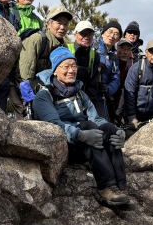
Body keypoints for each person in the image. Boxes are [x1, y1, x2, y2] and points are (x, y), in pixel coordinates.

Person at [32, 47, 130, 206]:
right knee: (88, 126)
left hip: (85, 141)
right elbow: (54, 125)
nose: (71, 70)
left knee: (109, 129)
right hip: (64, 145)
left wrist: (117, 131)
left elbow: (95, 118)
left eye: (74, 66)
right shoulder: (44, 96)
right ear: (55, 71)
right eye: (66, 66)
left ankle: (121, 186)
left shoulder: (79, 93)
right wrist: (80, 134)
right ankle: (105, 186)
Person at [14, 5, 73, 117]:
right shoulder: (37, 40)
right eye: (59, 22)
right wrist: (29, 100)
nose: (62, 27)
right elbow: (25, 74)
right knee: (25, 120)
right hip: (19, 86)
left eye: (65, 24)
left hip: (41, 89)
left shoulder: (63, 47)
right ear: (48, 24)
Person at [66, 20, 100, 104]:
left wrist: (90, 104)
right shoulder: (66, 49)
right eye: (83, 33)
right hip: (65, 96)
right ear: (75, 35)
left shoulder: (95, 55)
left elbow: (93, 83)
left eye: (89, 34)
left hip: (85, 97)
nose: (86, 37)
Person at [95, 20, 122, 121]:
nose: (112, 36)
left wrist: (108, 89)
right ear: (103, 33)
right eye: (110, 32)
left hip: (103, 96)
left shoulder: (114, 57)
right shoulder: (93, 47)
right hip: (89, 93)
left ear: (118, 38)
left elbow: (116, 78)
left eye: (116, 34)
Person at [112, 38, 134, 125]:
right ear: (116, 49)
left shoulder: (131, 67)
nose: (125, 52)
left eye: (128, 50)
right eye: (122, 49)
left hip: (122, 104)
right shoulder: (110, 63)